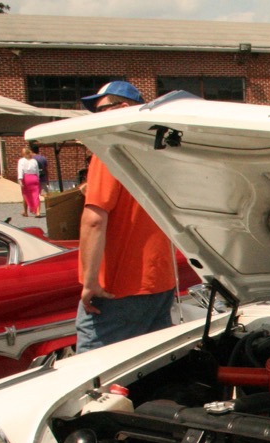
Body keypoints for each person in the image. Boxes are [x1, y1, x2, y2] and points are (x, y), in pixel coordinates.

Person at [75, 80, 176, 353]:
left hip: (117, 287)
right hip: (160, 281)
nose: (95, 118)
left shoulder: (110, 151)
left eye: (100, 110)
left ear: (122, 108)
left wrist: (90, 281)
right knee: (151, 365)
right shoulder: (160, 153)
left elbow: (95, 219)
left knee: (94, 373)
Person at [16, 146, 42, 217]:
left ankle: (25, 212)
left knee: (26, 195)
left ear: (24, 153)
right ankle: (37, 212)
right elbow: (37, 171)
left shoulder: (21, 161)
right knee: (36, 195)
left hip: (26, 178)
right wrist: (38, 179)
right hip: (34, 178)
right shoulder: (34, 161)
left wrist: (20, 180)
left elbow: (20, 170)